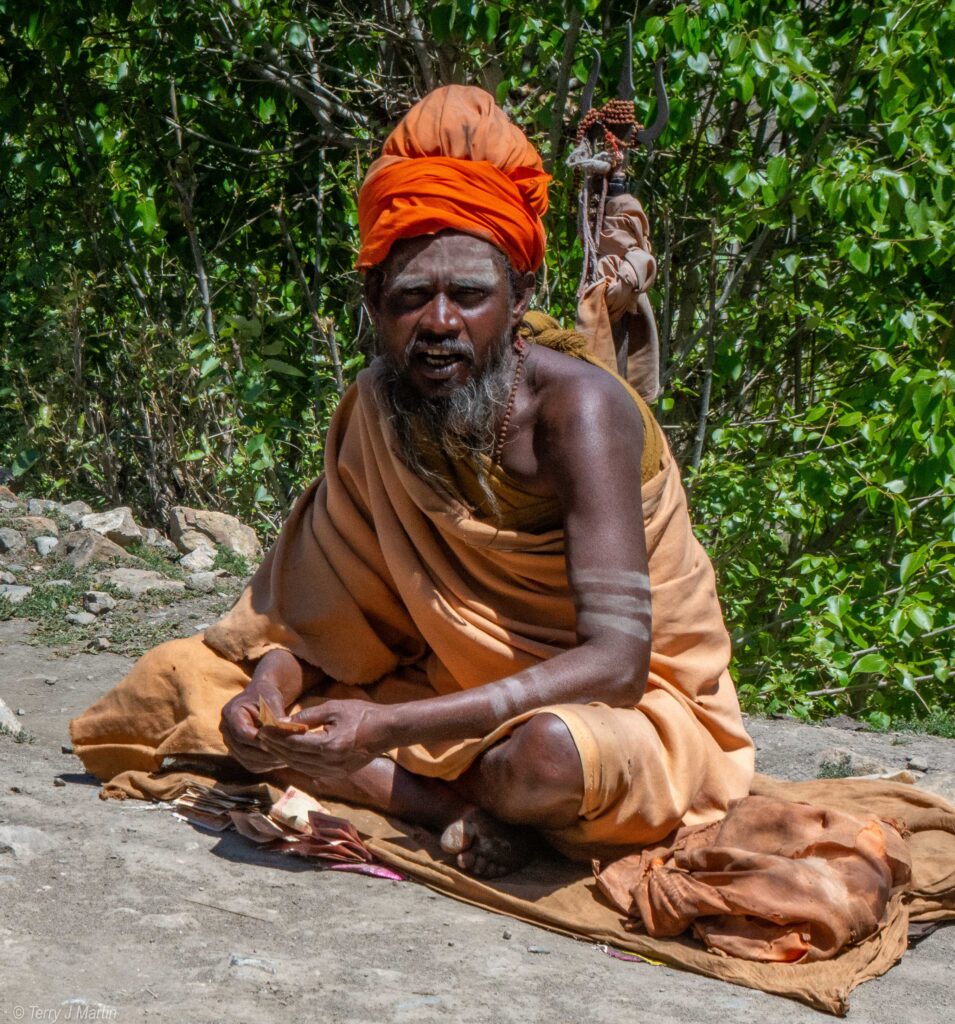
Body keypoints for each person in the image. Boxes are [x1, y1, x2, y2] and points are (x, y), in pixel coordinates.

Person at [70, 86, 754, 879]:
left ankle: (445, 787)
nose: (438, 322)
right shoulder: (375, 405)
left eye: (469, 296)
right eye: (409, 298)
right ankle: (446, 808)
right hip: (433, 692)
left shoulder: (582, 412)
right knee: (193, 690)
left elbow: (617, 665)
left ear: (519, 297)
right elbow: (315, 624)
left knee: (545, 759)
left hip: (620, 713)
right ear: (373, 304)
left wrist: (386, 731)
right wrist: (264, 699)